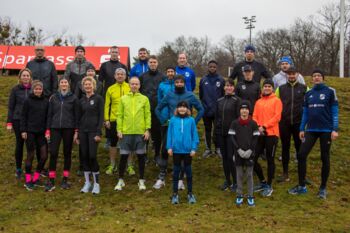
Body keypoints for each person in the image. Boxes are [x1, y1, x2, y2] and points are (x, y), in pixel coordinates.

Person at [288, 69, 339, 199]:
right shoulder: (308, 93)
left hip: (326, 130)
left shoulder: (330, 91)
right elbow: (305, 113)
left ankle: (322, 188)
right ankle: (301, 186)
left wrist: (335, 129)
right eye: (314, 76)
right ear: (312, 79)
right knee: (301, 154)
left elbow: (335, 111)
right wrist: (301, 129)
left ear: (323, 78)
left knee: (324, 157)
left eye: (319, 76)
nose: (316, 78)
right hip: (311, 130)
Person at [155, 75, 204, 190]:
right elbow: (158, 108)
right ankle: (162, 176)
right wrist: (163, 120)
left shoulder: (190, 95)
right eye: (177, 82)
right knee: (164, 150)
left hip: (186, 128)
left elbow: (201, 109)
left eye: (181, 82)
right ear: (174, 83)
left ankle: (181, 179)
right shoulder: (170, 95)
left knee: (183, 151)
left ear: (184, 83)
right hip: (172, 126)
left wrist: (194, 122)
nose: (179, 84)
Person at [114, 77, 151, 191]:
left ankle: (141, 180)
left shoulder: (144, 99)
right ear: (129, 85)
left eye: (136, 84)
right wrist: (119, 130)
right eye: (132, 84)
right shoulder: (123, 99)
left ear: (139, 85)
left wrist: (147, 130)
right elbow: (119, 115)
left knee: (141, 157)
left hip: (140, 132)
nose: (134, 86)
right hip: (126, 132)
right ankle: (120, 180)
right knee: (123, 157)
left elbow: (147, 115)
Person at [45, 77, 79, 192]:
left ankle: (65, 179)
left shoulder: (74, 98)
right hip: (55, 128)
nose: (63, 84)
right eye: (62, 82)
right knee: (53, 153)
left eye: (65, 82)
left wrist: (76, 131)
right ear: (59, 85)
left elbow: (76, 116)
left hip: (68, 129)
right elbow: (49, 115)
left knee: (67, 153)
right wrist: (48, 129)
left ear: (68, 85)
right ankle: (51, 179)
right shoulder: (53, 98)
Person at [275, 66, 308, 182]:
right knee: (285, 148)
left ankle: (302, 175)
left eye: (293, 73)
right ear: (287, 75)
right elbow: (274, 104)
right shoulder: (280, 88)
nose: (291, 76)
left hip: (299, 124)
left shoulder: (305, 88)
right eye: (289, 74)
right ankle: (285, 173)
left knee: (301, 149)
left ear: (298, 74)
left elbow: (309, 105)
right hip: (284, 123)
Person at [252, 79, 282, 197]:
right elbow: (254, 115)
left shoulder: (277, 101)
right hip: (260, 134)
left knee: (270, 159)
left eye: (269, 86)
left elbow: (277, 117)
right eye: (265, 86)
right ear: (262, 88)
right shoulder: (258, 102)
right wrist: (258, 126)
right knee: (253, 159)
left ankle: (269, 185)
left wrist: (264, 126)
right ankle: (263, 182)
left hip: (272, 134)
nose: (267, 88)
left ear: (272, 88)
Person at [228, 101, 260, 207]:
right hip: (238, 153)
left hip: (250, 153)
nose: (244, 111)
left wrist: (250, 150)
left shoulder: (253, 123)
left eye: (246, 109)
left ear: (249, 111)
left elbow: (255, 138)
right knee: (239, 175)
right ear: (240, 110)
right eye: (242, 109)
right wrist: (238, 150)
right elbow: (232, 137)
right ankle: (239, 195)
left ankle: (250, 196)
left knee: (250, 175)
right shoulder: (234, 123)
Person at [167, 101, 199, 204]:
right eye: (180, 107)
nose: (182, 109)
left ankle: (190, 193)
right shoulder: (172, 120)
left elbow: (195, 136)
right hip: (176, 150)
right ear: (177, 109)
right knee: (176, 172)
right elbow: (169, 135)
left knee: (188, 172)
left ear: (187, 109)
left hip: (187, 151)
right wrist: (169, 147)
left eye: (184, 107)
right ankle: (175, 194)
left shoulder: (191, 120)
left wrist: (194, 148)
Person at [77, 77, 104, 195]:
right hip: (83, 131)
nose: (87, 86)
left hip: (94, 131)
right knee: (84, 156)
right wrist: (77, 133)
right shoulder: (81, 100)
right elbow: (78, 117)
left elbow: (101, 117)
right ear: (83, 87)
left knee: (92, 156)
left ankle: (96, 184)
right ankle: (87, 182)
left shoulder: (98, 99)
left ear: (93, 85)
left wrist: (99, 132)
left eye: (89, 84)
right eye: (85, 85)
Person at [20, 80, 49, 190]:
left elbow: (48, 117)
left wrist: (47, 130)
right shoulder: (28, 100)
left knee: (44, 156)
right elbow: (23, 116)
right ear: (33, 89)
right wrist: (23, 130)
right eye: (36, 89)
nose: (38, 90)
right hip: (30, 132)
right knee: (30, 155)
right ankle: (28, 180)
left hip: (41, 133)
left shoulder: (46, 101)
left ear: (42, 90)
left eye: (40, 89)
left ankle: (36, 177)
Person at [6, 68, 33, 179]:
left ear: (30, 77)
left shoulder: (34, 89)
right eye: (24, 75)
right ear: (20, 77)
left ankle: (28, 167)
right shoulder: (15, 90)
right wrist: (9, 122)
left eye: (27, 75)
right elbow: (11, 107)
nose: (26, 77)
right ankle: (18, 168)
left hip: (31, 121)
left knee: (30, 145)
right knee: (19, 144)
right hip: (17, 120)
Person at [215, 79, 241, 191]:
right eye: (227, 86)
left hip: (232, 134)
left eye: (231, 86)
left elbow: (239, 118)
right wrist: (215, 133)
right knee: (224, 158)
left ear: (233, 88)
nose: (229, 87)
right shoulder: (219, 101)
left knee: (231, 158)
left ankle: (236, 182)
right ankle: (228, 181)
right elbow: (216, 118)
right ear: (224, 87)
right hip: (221, 133)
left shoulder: (237, 100)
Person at [104, 68, 130, 175]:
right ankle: (112, 165)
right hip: (114, 119)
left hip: (128, 119)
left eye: (122, 74)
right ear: (114, 76)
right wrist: (106, 119)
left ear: (125, 76)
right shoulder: (110, 89)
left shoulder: (130, 87)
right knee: (113, 143)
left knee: (128, 143)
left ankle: (130, 166)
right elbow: (106, 105)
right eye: (118, 74)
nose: (120, 76)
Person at [152, 66, 175, 189]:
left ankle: (180, 174)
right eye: (168, 71)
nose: (170, 73)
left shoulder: (179, 84)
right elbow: (160, 103)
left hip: (177, 120)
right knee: (165, 146)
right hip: (165, 120)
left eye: (172, 71)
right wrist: (162, 118)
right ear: (166, 73)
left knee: (178, 146)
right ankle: (162, 173)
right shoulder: (162, 85)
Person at [139, 55, 165, 163]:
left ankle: (157, 155)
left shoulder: (163, 77)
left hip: (157, 110)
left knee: (157, 134)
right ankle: (144, 155)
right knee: (144, 133)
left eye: (154, 62)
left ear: (157, 63)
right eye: (151, 62)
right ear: (148, 64)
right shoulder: (142, 76)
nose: (153, 64)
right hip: (145, 109)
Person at [200, 60, 225, 158]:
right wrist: (204, 105)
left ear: (216, 68)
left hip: (217, 111)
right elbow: (201, 95)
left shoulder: (221, 80)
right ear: (208, 67)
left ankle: (218, 149)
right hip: (206, 110)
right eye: (210, 66)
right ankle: (208, 149)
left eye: (214, 67)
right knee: (207, 130)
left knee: (217, 130)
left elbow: (223, 95)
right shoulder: (203, 80)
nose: (212, 68)